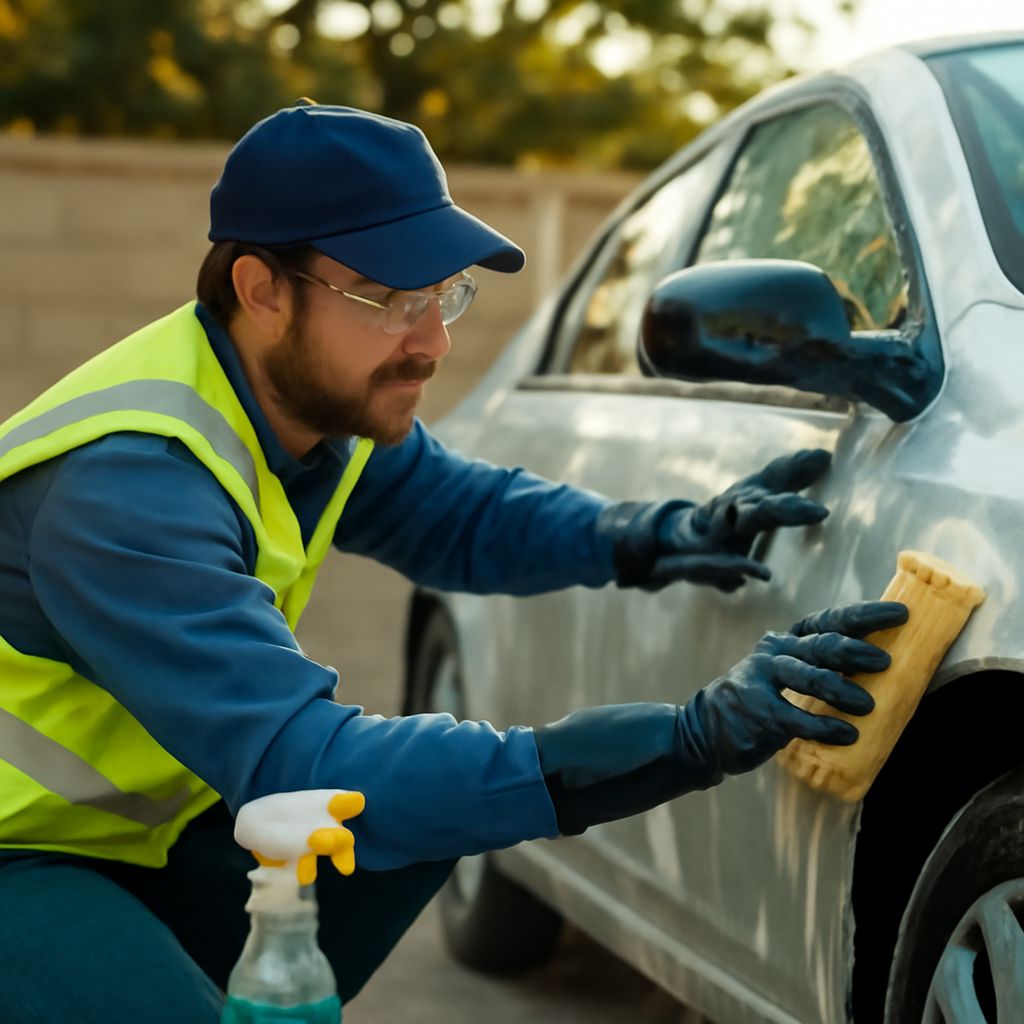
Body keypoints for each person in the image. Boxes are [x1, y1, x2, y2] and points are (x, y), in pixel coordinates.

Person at [0, 102, 907, 1022]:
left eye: (443, 295)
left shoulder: (306, 411)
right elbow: (306, 765)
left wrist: (666, 534)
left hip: (133, 833)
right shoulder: (128, 488)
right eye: (392, 300)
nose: (433, 341)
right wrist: (688, 738)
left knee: (417, 822)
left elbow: (464, 516)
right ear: (262, 289)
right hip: (20, 854)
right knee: (389, 800)